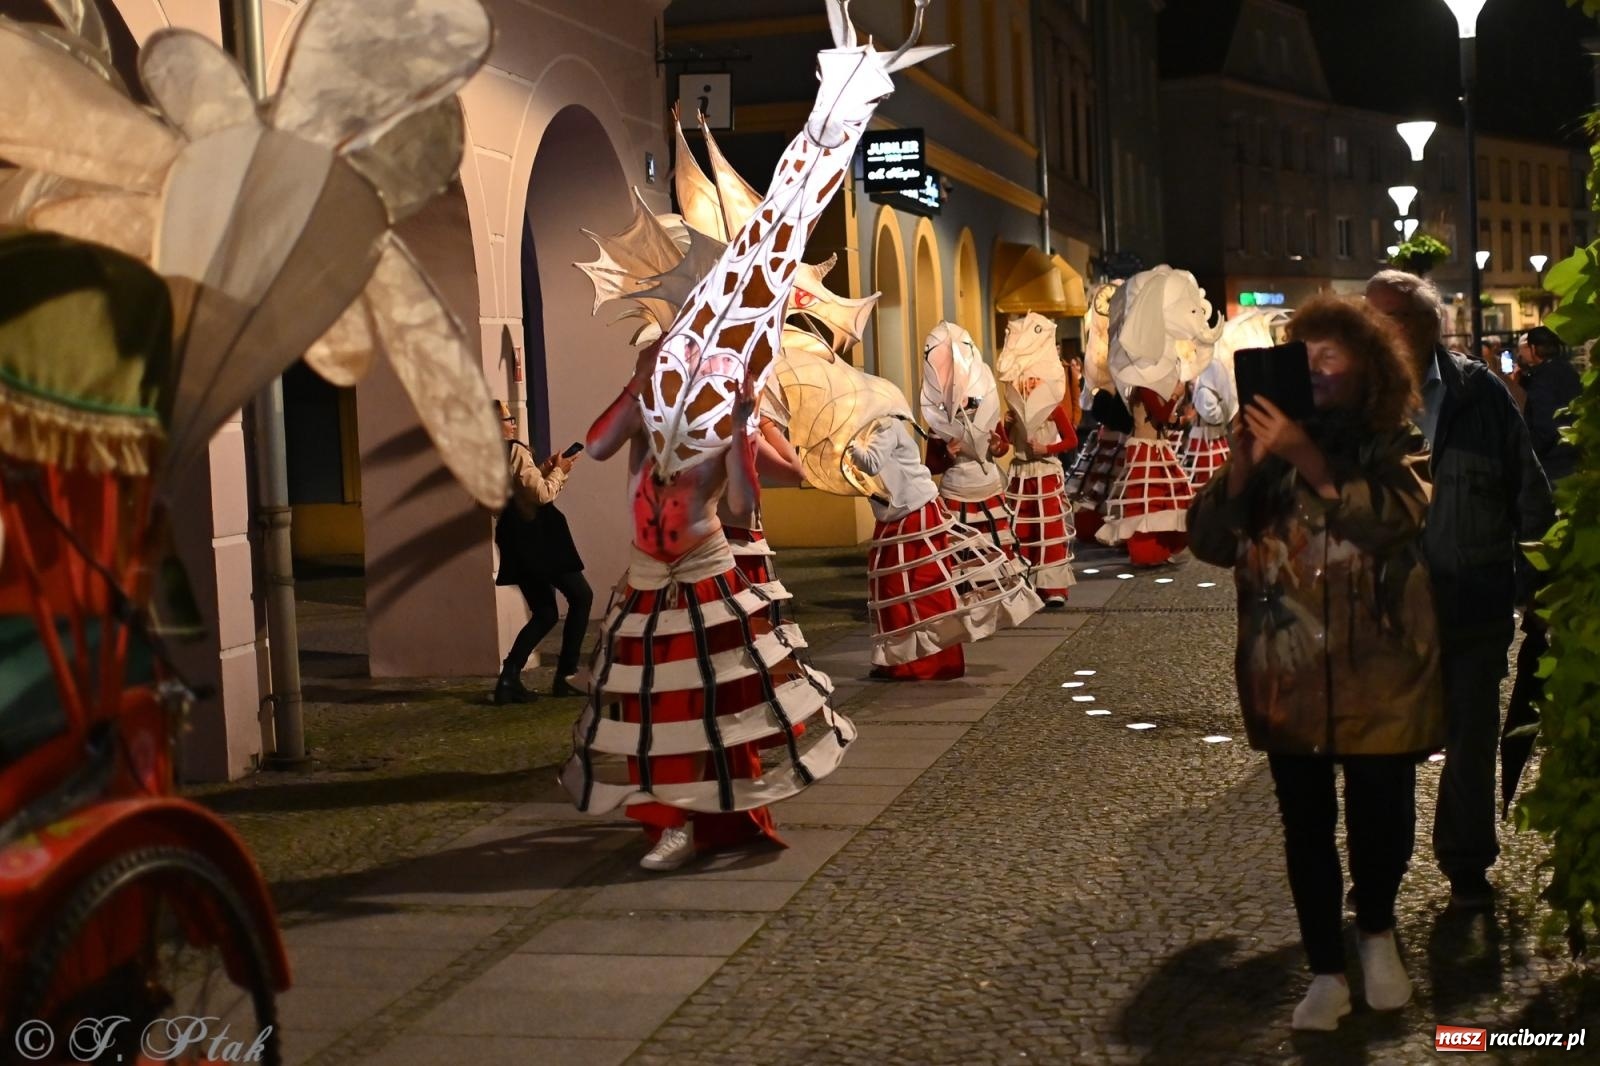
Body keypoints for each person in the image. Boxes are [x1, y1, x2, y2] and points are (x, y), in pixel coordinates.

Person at [1188, 295, 1444, 1031]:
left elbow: (1398, 518)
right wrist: (1242, 470)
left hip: (1381, 667)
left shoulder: (1394, 438)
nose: (1319, 367)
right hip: (1286, 668)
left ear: (1369, 367)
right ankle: (1326, 969)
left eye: (1333, 354)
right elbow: (1208, 540)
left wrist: (1310, 459)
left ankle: (1377, 934)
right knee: (1304, 823)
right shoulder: (1262, 447)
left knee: (1380, 814)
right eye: (1307, 355)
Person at [562, 345, 853, 871]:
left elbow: (743, 504)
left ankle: (690, 820)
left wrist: (744, 431)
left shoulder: (726, 421)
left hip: (702, 571)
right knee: (650, 705)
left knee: (705, 704)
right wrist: (639, 377)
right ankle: (668, 820)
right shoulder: (646, 408)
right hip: (647, 574)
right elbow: (599, 444)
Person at [1365, 270, 1555, 909]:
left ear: (1424, 327)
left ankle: (1467, 867)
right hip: (1386, 615)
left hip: (1472, 601)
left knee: (1471, 740)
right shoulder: (1356, 403)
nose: (1376, 331)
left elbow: (1530, 498)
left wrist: (1533, 592)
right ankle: (1378, 880)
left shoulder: (1482, 395)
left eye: (1389, 319)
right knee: (1384, 754)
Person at [850, 417, 1041, 679]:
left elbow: (871, 463)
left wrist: (847, 445)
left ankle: (928, 662)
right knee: (895, 585)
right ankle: (900, 660)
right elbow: (930, 463)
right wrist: (947, 454)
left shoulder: (885, 426)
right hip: (897, 510)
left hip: (916, 509)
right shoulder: (934, 424)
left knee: (918, 582)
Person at [493, 401, 592, 704]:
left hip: (512, 535)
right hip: (540, 536)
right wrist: (559, 472)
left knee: (546, 612)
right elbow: (542, 495)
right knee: (581, 597)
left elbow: (508, 493)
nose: (512, 422)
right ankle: (566, 676)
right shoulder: (514, 449)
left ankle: (508, 677)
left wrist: (543, 469)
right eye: (507, 418)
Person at [1515, 326, 1582, 483]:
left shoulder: (1542, 380)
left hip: (1553, 462)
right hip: (1574, 453)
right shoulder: (1569, 371)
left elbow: (1544, 425)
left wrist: (1529, 454)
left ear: (1533, 349)